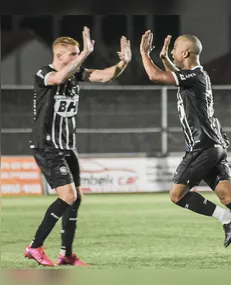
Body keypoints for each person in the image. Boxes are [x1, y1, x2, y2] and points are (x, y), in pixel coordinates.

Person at [140, 30, 231, 265]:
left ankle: (226, 218)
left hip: (202, 147)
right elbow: (178, 75)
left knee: (176, 195)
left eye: (175, 49)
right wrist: (166, 60)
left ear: (186, 52)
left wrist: (144, 54)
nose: (172, 51)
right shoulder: (199, 75)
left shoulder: (194, 76)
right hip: (214, 145)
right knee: (227, 194)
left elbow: (155, 77)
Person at [25, 26, 132, 267]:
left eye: (77, 53)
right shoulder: (44, 73)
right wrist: (84, 53)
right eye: (72, 54)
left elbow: (105, 76)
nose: (76, 57)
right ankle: (34, 247)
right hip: (47, 145)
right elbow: (58, 78)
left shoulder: (75, 74)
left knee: (77, 198)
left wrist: (123, 62)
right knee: (68, 195)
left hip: (67, 146)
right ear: (59, 56)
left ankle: (66, 254)